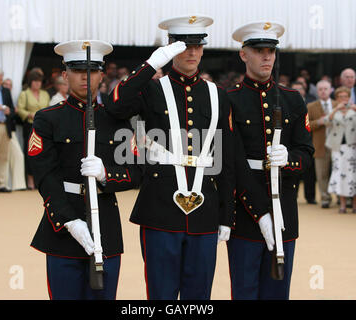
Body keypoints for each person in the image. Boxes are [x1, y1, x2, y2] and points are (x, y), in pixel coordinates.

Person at [107, 14, 264, 300]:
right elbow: (115, 105)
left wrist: (227, 215)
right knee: (161, 293)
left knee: (199, 296)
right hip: (160, 209)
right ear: (171, 48)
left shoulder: (218, 95)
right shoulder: (152, 89)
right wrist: (151, 66)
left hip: (205, 211)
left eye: (197, 46)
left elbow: (226, 160)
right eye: (183, 46)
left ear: (203, 49)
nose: (192, 52)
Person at [29, 40, 142, 300]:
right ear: (65, 74)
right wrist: (69, 221)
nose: (85, 77)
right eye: (78, 70)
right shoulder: (48, 118)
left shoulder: (116, 120)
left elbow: (135, 172)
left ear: (101, 75)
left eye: (92, 71)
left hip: (105, 225)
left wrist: (106, 174)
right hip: (63, 229)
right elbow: (45, 176)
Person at [227, 21, 314, 299]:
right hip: (245, 213)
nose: (266, 57)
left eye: (271, 51)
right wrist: (258, 212)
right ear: (244, 54)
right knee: (244, 290)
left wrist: (289, 159)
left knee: (278, 292)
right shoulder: (229, 100)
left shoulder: (292, 99)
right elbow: (231, 163)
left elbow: (306, 152)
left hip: (284, 211)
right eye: (258, 50)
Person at [17, 70, 50, 189]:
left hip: (44, 127)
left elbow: (49, 108)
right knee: (31, 152)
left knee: (44, 152)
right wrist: (29, 114)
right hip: (30, 126)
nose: (37, 84)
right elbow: (19, 109)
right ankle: (30, 180)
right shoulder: (24, 94)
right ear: (30, 82)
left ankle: (41, 179)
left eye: (39, 81)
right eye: (35, 81)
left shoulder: (45, 94)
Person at [325, 86, 356, 213]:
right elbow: (326, 122)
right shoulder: (334, 112)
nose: (343, 99)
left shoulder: (354, 112)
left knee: (353, 175)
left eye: (345, 97)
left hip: (352, 147)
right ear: (337, 99)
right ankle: (342, 204)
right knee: (339, 174)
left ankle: (354, 205)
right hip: (337, 148)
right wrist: (335, 110)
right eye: (341, 97)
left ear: (349, 98)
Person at [307, 80, 336, 208]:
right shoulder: (311, 106)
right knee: (321, 173)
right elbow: (307, 126)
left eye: (325, 89)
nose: (323, 91)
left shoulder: (337, 104)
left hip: (336, 145)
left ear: (330, 90)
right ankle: (325, 197)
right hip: (319, 144)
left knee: (338, 171)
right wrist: (318, 122)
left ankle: (342, 198)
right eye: (320, 89)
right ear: (317, 91)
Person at [291, 80, 317, 204]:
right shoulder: (287, 103)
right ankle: (293, 196)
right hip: (292, 144)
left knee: (310, 173)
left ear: (304, 90)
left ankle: (310, 197)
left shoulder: (311, 103)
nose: (297, 91)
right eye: (294, 89)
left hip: (310, 142)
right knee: (293, 172)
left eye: (299, 89)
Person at [2, 78, 26, 191]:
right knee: (4, 158)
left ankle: (18, 184)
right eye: (5, 84)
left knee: (18, 156)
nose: (7, 86)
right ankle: (4, 184)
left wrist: (13, 112)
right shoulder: (0, 95)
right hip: (1, 129)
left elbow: (13, 115)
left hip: (10, 131)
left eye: (9, 84)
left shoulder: (9, 96)